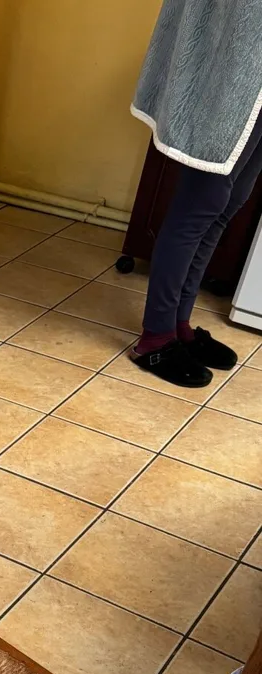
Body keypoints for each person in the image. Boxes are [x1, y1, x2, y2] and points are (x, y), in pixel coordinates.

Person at [129, 0, 262, 387]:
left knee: (230, 201)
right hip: (236, 67)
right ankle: (155, 338)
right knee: (201, 203)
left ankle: (178, 325)